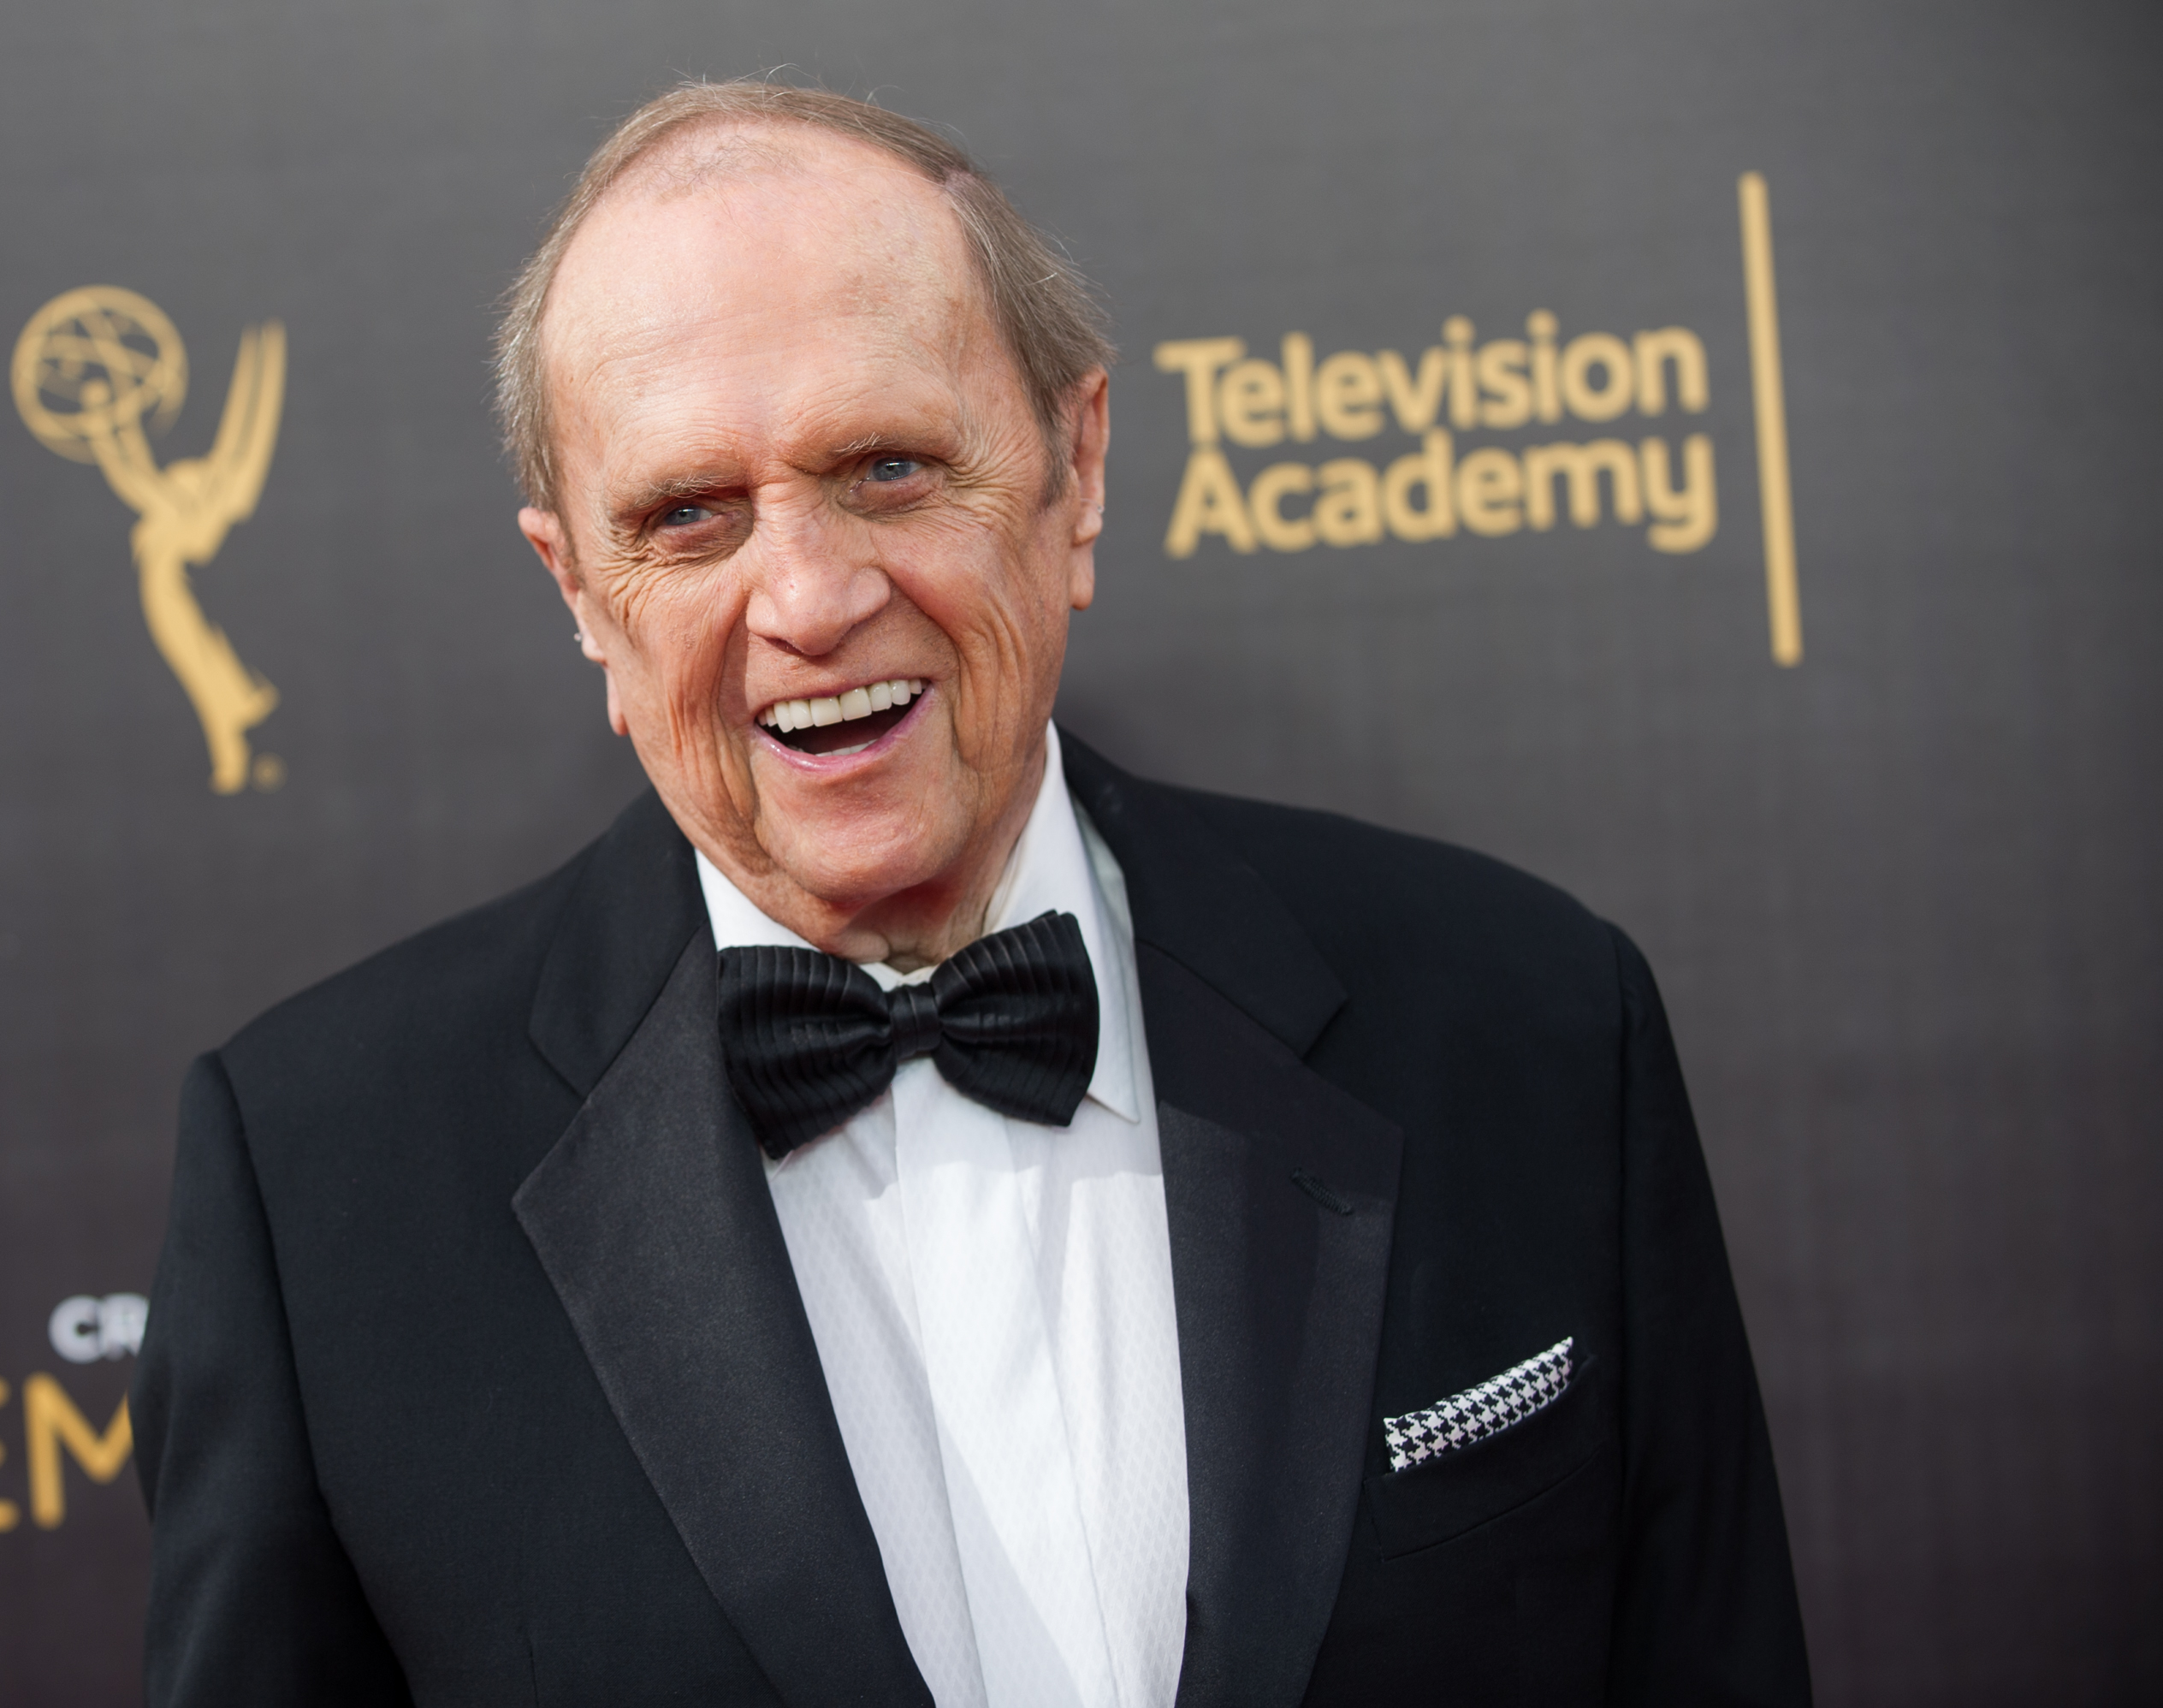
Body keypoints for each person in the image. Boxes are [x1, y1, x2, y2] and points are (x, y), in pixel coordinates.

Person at [131, 80, 1811, 1707]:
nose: (807, 595)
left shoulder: (1524, 1019)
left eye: (888, 468)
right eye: (688, 514)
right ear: (577, 589)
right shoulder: (319, 1190)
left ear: (1076, 471)